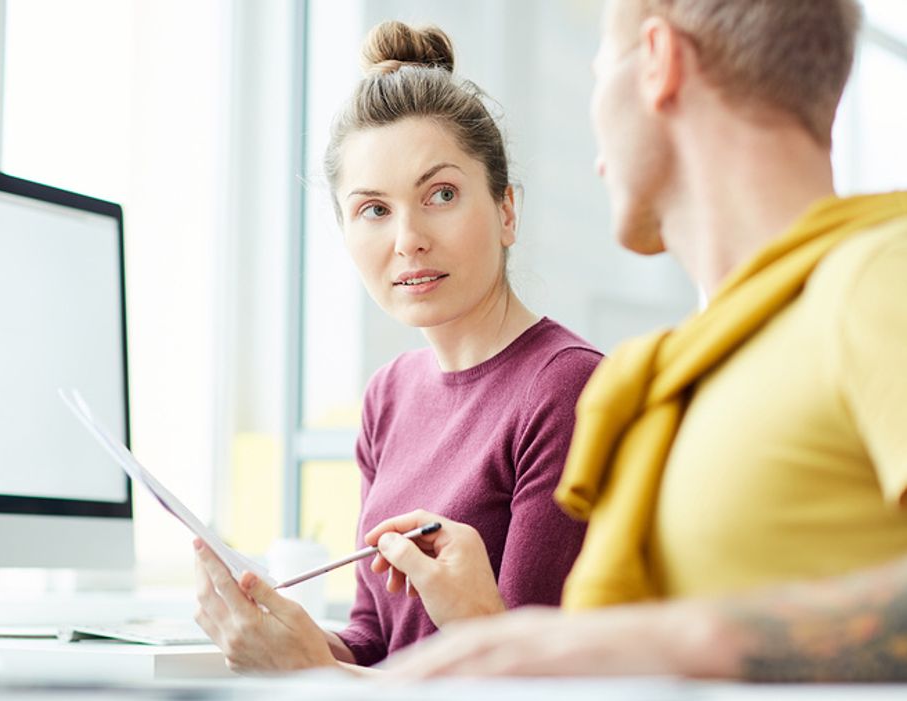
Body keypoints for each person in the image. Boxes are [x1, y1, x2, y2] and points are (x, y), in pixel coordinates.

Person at [376, 0, 907, 682]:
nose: (595, 140)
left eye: (601, 72)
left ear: (657, 62)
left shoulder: (879, 277)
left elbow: (662, 645)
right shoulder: (692, 371)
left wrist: (682, 639)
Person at [191, 21, 603, 673]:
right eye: (374, 210)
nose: (407, 238)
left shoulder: (566, 389)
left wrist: (314, 672)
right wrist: (280, 632)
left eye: (441, 195)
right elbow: (376, 641)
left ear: (506, 211)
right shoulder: (389, 393)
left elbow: (532, 682)